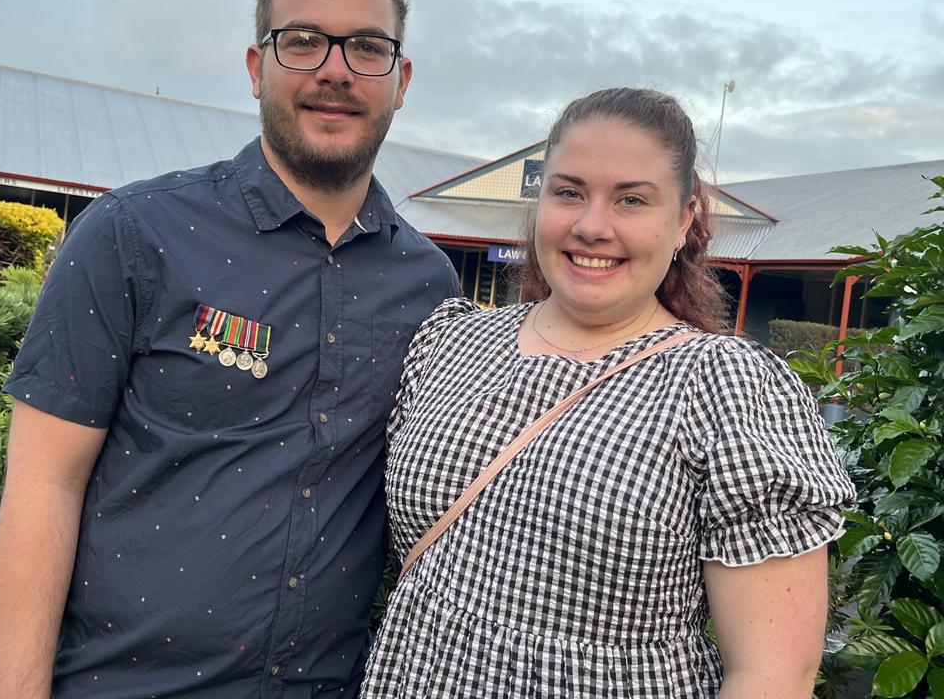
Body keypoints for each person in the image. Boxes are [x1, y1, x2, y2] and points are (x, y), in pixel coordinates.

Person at [0, 0, 460, 697]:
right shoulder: (133, 235)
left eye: (367, 48)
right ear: (255, 66)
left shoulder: (430, 286)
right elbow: (44, 484)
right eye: (302, 41)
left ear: (400, 79)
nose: (335, 70)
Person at [360, 88, 855, 698]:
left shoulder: (727, 387)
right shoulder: (450, 342)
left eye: (631, 200)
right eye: (568, 192)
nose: (593, 226)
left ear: (682, 222)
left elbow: (774, 674)